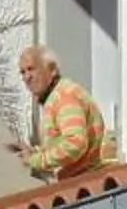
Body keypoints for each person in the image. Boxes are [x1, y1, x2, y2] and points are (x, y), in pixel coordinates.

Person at [10, 45, 119, 181]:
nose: (27, 77)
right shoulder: (59, 95)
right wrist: (35, 152)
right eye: (22, 72)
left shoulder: (64, 97)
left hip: (93, 179)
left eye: (31, 69)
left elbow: (75, 143)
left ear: (52, 70)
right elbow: (65, 143)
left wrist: (37, 160)